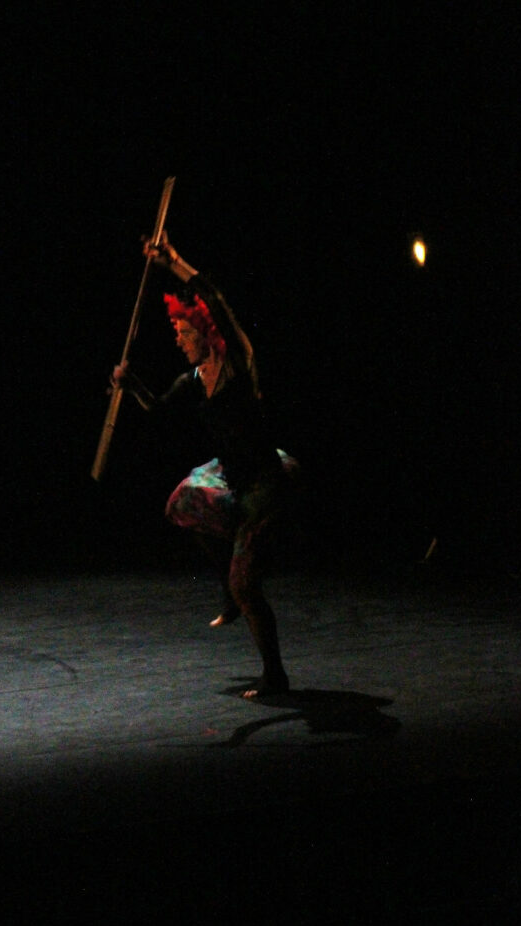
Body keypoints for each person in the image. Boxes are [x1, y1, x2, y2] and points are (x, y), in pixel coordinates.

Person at [110, 233, 299, 698]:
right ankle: (226, 585)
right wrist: (129, 383)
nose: (178, 342)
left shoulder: (236, 361)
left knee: (247, 587)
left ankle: (274, 673)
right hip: (229, 476)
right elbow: (155, 408)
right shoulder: (193, 380)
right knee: (182, 502)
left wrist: (173, 261)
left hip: (263, 484)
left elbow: (215, 298)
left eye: (183, 333)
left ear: (204, 331)